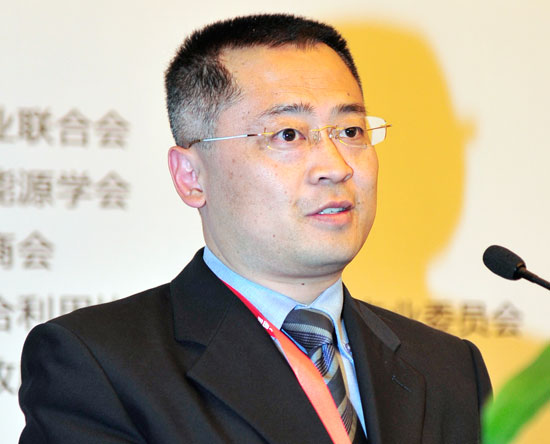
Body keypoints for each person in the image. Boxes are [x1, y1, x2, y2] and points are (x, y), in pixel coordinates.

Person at [18, 14, 491, 444]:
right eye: (287, 134)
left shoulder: (450, 368)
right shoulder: (98, 366)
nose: (336, 167)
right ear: (191, 176)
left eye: (350, 132)